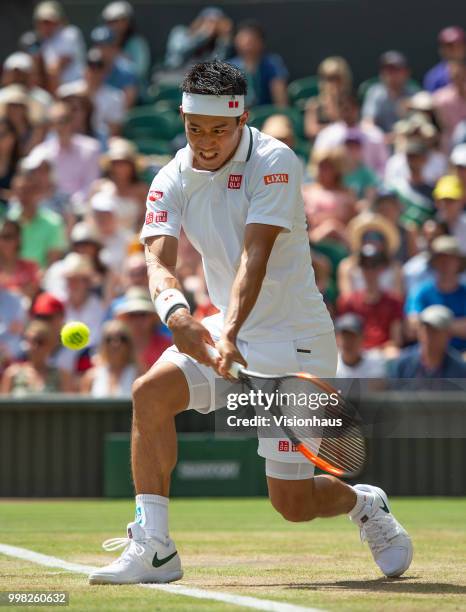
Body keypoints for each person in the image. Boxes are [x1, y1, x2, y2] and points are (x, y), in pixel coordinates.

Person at [89, 60, 412, 585]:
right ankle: (154, 547)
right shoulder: (171, 175)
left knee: (292, 503)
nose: (207, 141)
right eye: (196, 128)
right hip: (225, 327)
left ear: (241, 120)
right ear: (183, 118)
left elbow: (253, 257)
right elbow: (157, 260)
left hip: (296, 341)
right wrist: (177, 314)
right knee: (150, 394)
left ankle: (364, 504)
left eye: (219, 129)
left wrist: (230, 332)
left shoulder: (275, 161)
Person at [337, 244, 404, 358]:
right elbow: (341, 338)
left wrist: (376, 352)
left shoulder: (394, 301)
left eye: (374, 266)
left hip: (383, 353)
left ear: (381, 269)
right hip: (355, 353)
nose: (369, 270)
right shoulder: (349, 301)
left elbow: (396, 340)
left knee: (394, 354)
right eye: (365, 266)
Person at [28, 101, 101, 201]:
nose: (60, 126)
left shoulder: (91, 148)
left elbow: (91, 184)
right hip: (48, 207)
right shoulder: (42, 152)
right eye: (55, 123)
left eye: (64, 120)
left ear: (72, 121)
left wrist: (71, 204)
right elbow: (28, 177)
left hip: (79, 208)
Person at [405, 236, 466, 352]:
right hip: (426, 355)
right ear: (434, 262)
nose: (445, 263)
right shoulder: (421, 292)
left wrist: (433, 326)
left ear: (459, 263)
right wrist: (454, 327)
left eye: (450, 258)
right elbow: (411, 328)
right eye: (441, 258)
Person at [313, 93, 388, 178]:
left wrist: (372, 185)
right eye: (344, 109)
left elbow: (383, 166)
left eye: (351, 108)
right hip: (336, 187)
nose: (347, 113)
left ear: (357, 109)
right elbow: (318, 164)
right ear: (338, 110)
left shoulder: (374, 134)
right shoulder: (326, 135)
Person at [6, 169, 67, 269]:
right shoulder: (6, 222)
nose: (24, 196)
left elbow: (53, 263)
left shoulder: (53, 223)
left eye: (29, 190)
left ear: (39, 192)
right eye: (20, 190)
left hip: (42, 282)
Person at [389, 305, 466, 379]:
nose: (429, 335)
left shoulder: (460, 369)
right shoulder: (403, 364)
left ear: (448, 334)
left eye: (436, 330)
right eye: (426, 329)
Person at [338, 212, 404, 296]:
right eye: (367, 237)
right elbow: (346, 298)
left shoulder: (395, 268)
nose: (371, 241)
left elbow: (397, 299)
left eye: (377, 237)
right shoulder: (347, 267)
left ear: (384, 242)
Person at [1, 319, 72, 395]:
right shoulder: (12, 374)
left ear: (50, 344)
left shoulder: (62, 376)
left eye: (40, 341)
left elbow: (70, 405)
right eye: (30, 341)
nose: (35, 346)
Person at [302, 147, 357, 245]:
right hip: (309, 238)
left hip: (339, 241)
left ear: (336, 170)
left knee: (332, 227)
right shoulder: (306, 191)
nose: (321, 170)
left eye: (327, 167)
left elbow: (351, 223)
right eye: (320, 166)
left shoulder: (347, 195)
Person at [91, 137, 148, 232]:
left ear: (132, 166)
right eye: (116, 163)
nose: (119, 167)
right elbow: (90, 218)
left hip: (131, 242)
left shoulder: (142, 190)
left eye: (124, 163)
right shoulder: (98, 187)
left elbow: (145, 220)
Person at [231, 21, 288, 108]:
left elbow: (281, 101)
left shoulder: (272, 63)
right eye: (243, 39)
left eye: (252, 40)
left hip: (268, 115)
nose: (247, 44)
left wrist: (280, 113)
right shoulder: (229, 67)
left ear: (261, 42)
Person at [362, 51, 418, 139]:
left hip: (408, 145)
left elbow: (420, 125)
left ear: (406, 72)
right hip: (381, 145)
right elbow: (367, 123)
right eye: (388, 70)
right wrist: (381, 139)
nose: (391, 74)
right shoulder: (375, 93)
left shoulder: (414, 94)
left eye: (396, 70)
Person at [114, 288, 172, 373]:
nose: (137, 320)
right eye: (132, 315)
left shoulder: (167, 347)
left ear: (153, 317)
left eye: (142, 314)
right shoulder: (115, 345)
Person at [33, 0, 85, 90]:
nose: (45, 25)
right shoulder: (43, 41)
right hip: (55, 89)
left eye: (48, 21)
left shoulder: (69, 34)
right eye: (42, 22)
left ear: (58, 20)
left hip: (74, 87)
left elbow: (57, 68)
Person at [163, 7, 233, 72]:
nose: (211, 27)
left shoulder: (217, 42)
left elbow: (217, 64)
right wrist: (202, 35)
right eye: (207, 21)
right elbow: (179, 54)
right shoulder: (180, 32)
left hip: (201, 79)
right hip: (174, 74)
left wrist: (223, 41)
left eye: (215, 23)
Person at [80, 319, 138, 396]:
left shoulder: (139, 375)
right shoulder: (91, 377)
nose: (115, 344)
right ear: (103, 344)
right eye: (109, 339)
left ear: (129, 344)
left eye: (122, 338)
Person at [102, 1, 151, 91]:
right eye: (109, 22)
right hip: (108, 92)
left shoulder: (137, 43)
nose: (113, 25)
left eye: (116, 21)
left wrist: (119, 56)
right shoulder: (102, 44)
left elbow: (140, 72)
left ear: (127, 22)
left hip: (135, 94)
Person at [304, 57, 352, 141]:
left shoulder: (350, 104)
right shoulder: (314, 104)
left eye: (337, 78)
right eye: (329, 78)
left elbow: (354, 127)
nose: (333, 83)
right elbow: (311, 132)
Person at [90, 25, 138, 108]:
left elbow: (127, 105)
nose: (101, 50)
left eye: (106, 45)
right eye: (98, 45)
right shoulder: (91, 68)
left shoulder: (127, 70)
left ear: (115, 47)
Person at [0, 218, 41, 301]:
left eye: (7, 236)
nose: (1, 241)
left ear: (18, 239)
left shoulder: (31, 267)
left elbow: (32, 295)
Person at [335, 313, 386, 378]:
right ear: (336, 339)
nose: (348, 342)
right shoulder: (329, 366)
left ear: (363, 338)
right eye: (344, 337)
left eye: (352, 337)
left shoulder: (375, 362)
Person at [433, 60, 466, 152]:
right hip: (449, 148)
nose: (459, 79)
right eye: (455, 75)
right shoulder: (440, 98)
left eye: (462, 75)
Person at [424, 27, 466, 93]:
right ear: (442, 49)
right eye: (450, 46)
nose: (455, 49)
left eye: (459, 45)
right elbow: (432, 100)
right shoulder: (434, 77)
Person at [433, 175, 466, 252]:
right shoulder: (430, 227)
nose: (444, 205)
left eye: (450, 200)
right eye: (441, 200)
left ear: (462, 201)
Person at [0, 118, 21, 206]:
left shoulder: (22, 165)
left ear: (13, 137)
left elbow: (21, 194)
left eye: (2, 135)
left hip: (12, 214)